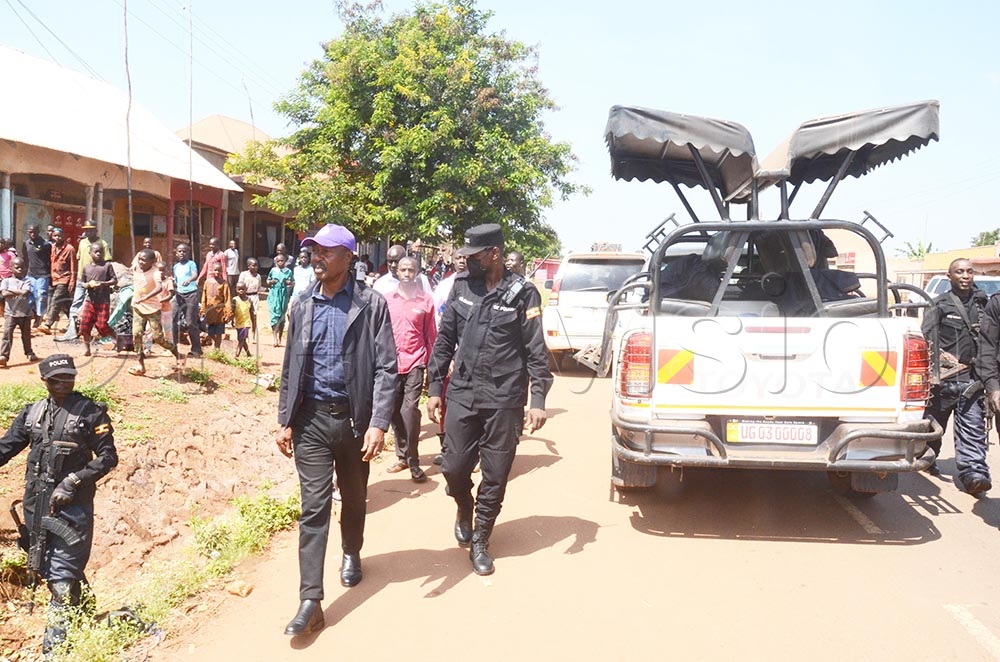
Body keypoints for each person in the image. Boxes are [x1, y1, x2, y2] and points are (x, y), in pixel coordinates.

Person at [275, 223, 397, 636]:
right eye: (313, 251)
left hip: (352, 420)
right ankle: (311, 599)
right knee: (313, 508)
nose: (316, 257)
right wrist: (285, 419)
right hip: (309, 419)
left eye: (326, 251)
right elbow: (291, 365)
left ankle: (351, 550)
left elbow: (386, 367)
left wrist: (379, 423)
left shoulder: (370, 304)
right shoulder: (303, 303)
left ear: (348, 258)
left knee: (356, 497)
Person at [426, 223, 552, 575]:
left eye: (474, 255)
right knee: (452, 467)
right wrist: (435, 388)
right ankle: (464, 505)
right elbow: (444, 339)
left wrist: (538, 399)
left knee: (495, 475)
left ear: (494, 254)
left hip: (504, 398)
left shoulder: (524, 294)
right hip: (464, 391)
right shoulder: (462, 287)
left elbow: (536, 351)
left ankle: (481, 539)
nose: (466, 262)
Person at [0, 354, 118, 655]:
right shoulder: (32, 414)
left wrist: (74, 481)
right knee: (54, 569)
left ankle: (55, 652)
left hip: (72, 509)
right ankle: (86, 617)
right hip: (36, 507)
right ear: (45, 382)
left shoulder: (90, 414)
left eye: (69, 377)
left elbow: (108, 457)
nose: (64, 383)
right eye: (57, 379)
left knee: (62, 575)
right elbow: (6, 447)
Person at [922, 258, 991, 495]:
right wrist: (938, 362)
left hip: (972, 381)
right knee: (933, 430)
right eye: (959, 272)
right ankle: (927, 458)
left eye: (969, 272)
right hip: (944, 381)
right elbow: (927, 339)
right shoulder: (939, 304)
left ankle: (974, 475)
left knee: (972, 428)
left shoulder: (983, 304)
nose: (965, 276)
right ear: (949, 276)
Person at [385, 256, 437, 482]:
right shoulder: (386, 300)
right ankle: (402, 456)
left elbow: (431, 336)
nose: (406, 273)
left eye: (411, 270)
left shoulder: (426, 301)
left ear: (418, 273)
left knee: (409, 411)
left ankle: (414, 460)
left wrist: (433, 368)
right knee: (394, 411)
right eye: (403, 269)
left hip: (416, 361)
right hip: (391, 364)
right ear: (397, 272)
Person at [129, 249, 180, 376]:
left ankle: (178, 354)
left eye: (144, 260)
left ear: (152, 262)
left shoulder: (156, 273)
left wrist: (146, 297)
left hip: (153, 309)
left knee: (158, 338)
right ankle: (141, 365)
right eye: (140, 259)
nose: (141, 262)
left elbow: (158, 287)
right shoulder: (136, 268)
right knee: (136, 334)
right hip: (138, 307)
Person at [64, 222, 110, 341]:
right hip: (82, 278)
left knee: (95, 307)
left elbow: (107, 262)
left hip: (98, 282)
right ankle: (72, 330)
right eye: (86, 230)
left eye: (91, 230)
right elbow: (79, 259)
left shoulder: (103, 244)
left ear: (96, 231)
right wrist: (77, 277)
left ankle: (98, 332)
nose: (88, 232)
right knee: (76, 303)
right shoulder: (83, 243)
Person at [78, 243, 118, 358]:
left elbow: (114, 280)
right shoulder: (87, 267)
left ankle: (116, 337)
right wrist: (88, 285)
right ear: (90, 253)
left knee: (102, 326)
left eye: (101, 252)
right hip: (90, 300)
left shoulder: (107, 266)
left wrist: (103, 284)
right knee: (84, 324)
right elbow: (82, 282)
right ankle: (87, 349)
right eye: (96, 252)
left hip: (103, 300)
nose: (98, 254)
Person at [0, 257, 39, 367]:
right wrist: (17, 292)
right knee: (7, 335)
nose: (20, 270)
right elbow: (4, 294)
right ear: (11, 268)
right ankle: (4, 356)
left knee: (26, 335)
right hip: (10, 313)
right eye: (17, 267)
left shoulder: (27, 281)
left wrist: (10, 290)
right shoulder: (6, 281)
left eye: (23, 268)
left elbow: (25, 293)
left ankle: (29, 352)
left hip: (25, 313)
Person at [39, 228, 76, 335]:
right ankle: (75, 325)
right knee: (66, 305)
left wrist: (72, 282)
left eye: (59, 236)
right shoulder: (52, 247)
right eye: (55, 236)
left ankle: (48, 324)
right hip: (54, 279)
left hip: (65, 279)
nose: (57, 238)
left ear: (63, 236)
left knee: (56, 300)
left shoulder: (70, 249)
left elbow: (73, 267)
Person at [172, 243, 203, 359]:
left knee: (190, 323)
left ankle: (196, 350)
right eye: (180, 251)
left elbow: (195, 275)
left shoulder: (191, 264)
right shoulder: (175, 267)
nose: (182, 253)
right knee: (172, 319)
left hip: (191, 294)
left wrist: (189, 280)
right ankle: (173, 347)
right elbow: (175, 281)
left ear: (188, 253)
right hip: (178, 295)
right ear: (176, 253)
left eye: (184, 251)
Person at [22, 224, 51, 327]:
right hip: (30, 275)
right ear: (27, 232)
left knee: (40, 297)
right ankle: (31, 317)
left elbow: (50, 259)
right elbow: (25, 259)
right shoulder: (26, 244)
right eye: (30, 232)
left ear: (39, 232)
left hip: (42, 275)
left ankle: (39, 318)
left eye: (35, 232)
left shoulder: (45, 244)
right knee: (29, 298)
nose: (33, 234)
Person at [200, 262, 232, 349]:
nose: (217, 272)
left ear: (222, 271)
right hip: (210, 312)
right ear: (211, 270)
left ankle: (217, 350)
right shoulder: (207, 282)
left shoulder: (224, 283)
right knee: (210, 332)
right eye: (215, 270)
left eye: (219, 270)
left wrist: (228, 313)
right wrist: (203, 310)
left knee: (219, 333)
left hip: (220, 312)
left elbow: (227, 298)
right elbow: (204, 298)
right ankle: (215, 345)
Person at [266, 254, 293, 346]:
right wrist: (271, 282)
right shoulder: (273, 270)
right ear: (276, 262)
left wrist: (288, 283)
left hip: (283, 295)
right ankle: (274, 337)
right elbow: (268, 281)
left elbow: (292, 283)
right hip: (274, 294)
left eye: (282, 261)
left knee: (282, 316)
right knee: (274, 316)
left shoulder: (288, 271)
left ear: (285, 261)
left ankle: (280, 338)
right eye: (278, 261)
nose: (280, 262)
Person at [233, 283, 256, 358]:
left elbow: (252, 312)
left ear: (246, 290)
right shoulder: (235, 300)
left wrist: (253, 323)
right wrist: (232, 320)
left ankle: (237, 356)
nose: (241, 291)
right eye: (239, 289)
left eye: (243, 289)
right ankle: (248, 354)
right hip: (238, 322)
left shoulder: (249, 300)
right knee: (242, 339)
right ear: (236, 290)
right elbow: (233, 311)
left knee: (241, 339)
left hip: (246, 323)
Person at [0, 238, 15, 319]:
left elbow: (15, 264)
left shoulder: (9, 254)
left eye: (1, 243)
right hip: (0, 279)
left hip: (8, 278)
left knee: (8, 297)